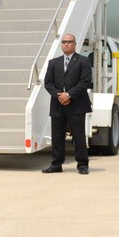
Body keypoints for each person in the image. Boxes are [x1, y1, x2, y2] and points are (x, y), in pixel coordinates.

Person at [42, 33, 93, 174]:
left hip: (76, 104)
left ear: (75, 44)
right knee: (57, 137)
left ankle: (82, 165)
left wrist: (69, 95)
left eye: (69, 42)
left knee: (79, 136)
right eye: (64, 42)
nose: (66, 44)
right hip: (58, 105)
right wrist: (59, 95)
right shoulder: (53, 62)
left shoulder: (83, 61)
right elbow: (48, 83)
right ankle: (56, 165)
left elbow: (85, 81)